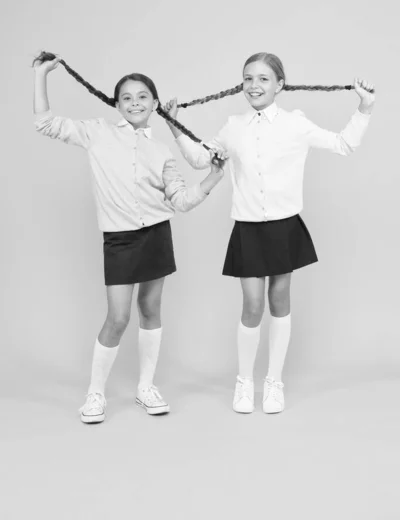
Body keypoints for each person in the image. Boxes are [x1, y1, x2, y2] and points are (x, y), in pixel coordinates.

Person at [164, 51, 375, 414]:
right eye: (248, 78)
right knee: (252, 304)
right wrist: (172, 125)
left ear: (280, 84)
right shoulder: (233, 127)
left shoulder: (296, 124)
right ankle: (244, 381)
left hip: (284, 226)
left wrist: (365, 108)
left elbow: (344, 144)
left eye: (263, 78)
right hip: (248, 227)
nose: (254, 85)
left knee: (279, 301)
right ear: (240, 85)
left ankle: (273, 381)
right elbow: (201, 159)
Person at [33, 52, 227, 423]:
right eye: (126, 97)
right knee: (118, 316)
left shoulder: (162, 150)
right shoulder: (97, 133)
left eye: (142, 97)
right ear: (116, 104)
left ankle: (145, 388)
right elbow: (45, 124)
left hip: (156, 234)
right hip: (119, 239)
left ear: (155, 103)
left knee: (150, 310)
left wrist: (214, 177)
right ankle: (94, 394)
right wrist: (42, 74)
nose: (135, 103)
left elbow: (182, 201)